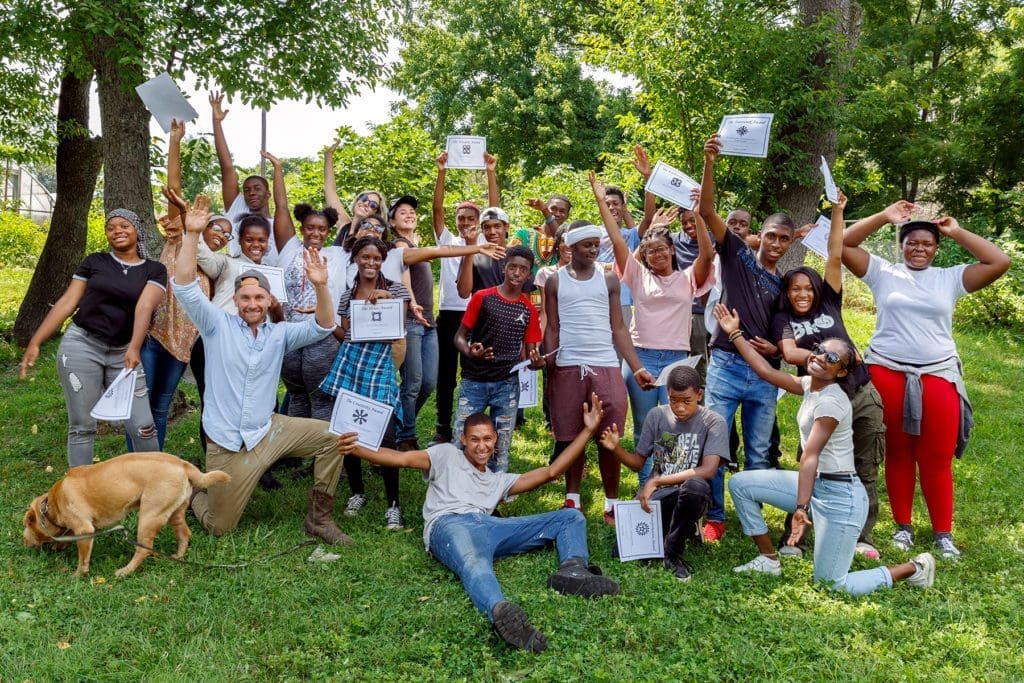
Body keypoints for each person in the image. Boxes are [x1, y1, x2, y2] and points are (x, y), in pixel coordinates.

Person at [334, 395, 619, 653]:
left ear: (495, 440)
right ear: (463, 439)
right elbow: (402, 458)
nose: (481, 446)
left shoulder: (497, 480)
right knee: (475, 564)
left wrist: (589, 430)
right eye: (474, 440)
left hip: (488, 526)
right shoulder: (445, 455)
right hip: (449, 525)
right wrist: (357, 449)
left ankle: (574, 571)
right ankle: (501, 611)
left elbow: (552, 471)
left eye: (487, 439)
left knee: (570, 517)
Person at [715, 305, 938, 595]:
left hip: (840, 499)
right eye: (819, 350)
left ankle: (915, 568)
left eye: (830, 358)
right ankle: (768, 559)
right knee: (741, 484)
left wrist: (800, 508)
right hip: (819, 485)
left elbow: (810, 456)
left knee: (831, 585)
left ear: (841, 371)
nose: (820, 357)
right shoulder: (811, 384)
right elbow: (765, 371)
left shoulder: (832, 402)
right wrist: (734, 333)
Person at [167, 190, 349, 544]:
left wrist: (321, 287)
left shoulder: (278, 334)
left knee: (334, 438)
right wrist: (191, 234)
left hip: (269, 431)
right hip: (228, 443)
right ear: (235, 301)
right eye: (245, 297)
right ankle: (191, 490)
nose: (252, 303)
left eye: (259, 298)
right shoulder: (217, 324)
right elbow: (185, 285)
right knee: (220, 527)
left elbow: (323, 326)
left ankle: (319, 519)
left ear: (269, 301)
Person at [842, 201, 1009, 559]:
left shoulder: (949, 278)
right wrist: (884, 216)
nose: (919, 249)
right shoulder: (883, 272)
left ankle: (942, 533)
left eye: (927, 244)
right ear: (901, 245)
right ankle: (902, 526)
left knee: (936, 456)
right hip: (888, 371)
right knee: (899, 453)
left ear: (936, 248)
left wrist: (957, 231)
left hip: (937, 374)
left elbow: (999, 262)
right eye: (912, 243)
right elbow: (843, 245)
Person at [771, 190, 886, 560]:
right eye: (794, 289)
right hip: (820, 399)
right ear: (787, 294)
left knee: (865, 465)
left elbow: (835, 253)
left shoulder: (829, 302)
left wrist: (837, 212)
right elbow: (789, 354)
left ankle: (862, 535)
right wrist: (832, 359)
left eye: (807, 288)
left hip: (860, 393)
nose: (802, 294)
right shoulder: (784, 319)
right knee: (813, 461)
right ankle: (798, 536)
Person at [697, 132, 796, 542]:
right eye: (770, 235)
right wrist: (709, 162)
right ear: (762, 234)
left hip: (766, 375)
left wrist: (776, 348)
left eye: (783, 239)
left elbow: (785, 329)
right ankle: (716, 517)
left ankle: (751, 520)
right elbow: (706, 210)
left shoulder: (787, 283)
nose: (775, 243)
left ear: (790, 244)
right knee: (716, 446)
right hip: (726, 365)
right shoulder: (736, 255)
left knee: (758, 452)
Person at [593, 174, 714, 489]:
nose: (658, 255)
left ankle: (668, 488)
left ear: (672, 251)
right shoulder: (636, 275)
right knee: (644, 428)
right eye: (651, 252)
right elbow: (617, 240)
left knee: (674, 427)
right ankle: (645, 489)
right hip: (640, 358)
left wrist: (699, 214)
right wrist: (598, 197)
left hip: (676, 360)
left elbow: (707, 255)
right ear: (643, 257)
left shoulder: (688, 279)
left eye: (663, 249)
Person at [20, 209, 165, 468]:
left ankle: (153, 483)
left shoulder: (154, 270)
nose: (117, 230)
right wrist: (36, 341)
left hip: (125, 352)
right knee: (82, 425)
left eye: (124, 225)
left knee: (143, 427)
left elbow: (144, 307)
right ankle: (78, 491)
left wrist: (133, 348)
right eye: (111, 228)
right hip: (82, 345)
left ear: (137, 230)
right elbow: (67, 302)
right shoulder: (95, 262)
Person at [544, 220, 655, 522]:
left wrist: (637, 366)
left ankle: (612, 501)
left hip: (605, 363)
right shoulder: (555, 281)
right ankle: (573, 498)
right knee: (570, 434)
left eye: (596, 244)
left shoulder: (608, 279)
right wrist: (547, 361)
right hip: (567, 365)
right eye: (587, 245)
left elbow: (618, 327)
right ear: (570, 247)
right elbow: (552, 327)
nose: (594, 249)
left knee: (610, 433)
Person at [599, 365, 728, 581]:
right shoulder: (657, 416)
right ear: (667, 394)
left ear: (699, 394)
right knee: (620, 553)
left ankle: (672, 553)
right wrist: (616, 448)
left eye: (686, 400)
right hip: (656, 498)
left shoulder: (713, 422)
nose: (679, 407)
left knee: (696, 486)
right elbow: (637, 463)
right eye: (673, 400)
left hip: (690, 494)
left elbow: (708, 470)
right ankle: (672, 530)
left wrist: (657, 481)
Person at [319, 236, 411, 530]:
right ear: (356, 258)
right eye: (365, 257)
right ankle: (357, 491)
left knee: (387, 436)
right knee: (348, 434)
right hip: (350, 365)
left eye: (377, 259)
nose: (371, 263)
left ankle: (393, 504)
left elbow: (398, 331)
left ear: (382, 261)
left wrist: (387, 301)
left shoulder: (395, 288)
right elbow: (345, 333)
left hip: (379, 366)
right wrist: (332, 325)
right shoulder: (347, 295)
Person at [134, 119, 212, 451]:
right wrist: (176, 140)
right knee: (141, 408)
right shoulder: (179, 242)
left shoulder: (213, 269)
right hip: (153, 337)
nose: (217, 235)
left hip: (181, 348)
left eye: (222, 233)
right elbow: (174, 188)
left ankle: (153, 464)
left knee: (161, 407)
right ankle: (136, 465)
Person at [262, 152, 349, 423]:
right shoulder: (289, 249)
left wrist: (328, 160)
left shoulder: (338, 255)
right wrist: (278, 168)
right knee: (297, 396)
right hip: (288, 333)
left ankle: (323, 459)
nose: (316, 233)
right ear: (302, 228)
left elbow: (345, 213)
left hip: (320, 335)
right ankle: (299, 453)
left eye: (322, 229)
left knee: (320, 397)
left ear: (329, 231)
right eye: (310, 227)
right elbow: (281, 207)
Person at [427, 150, 497, 447]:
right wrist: (441, 171)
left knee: (476, 368)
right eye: (461, 218)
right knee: (446, 373)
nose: (465, 222)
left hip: (477, 313)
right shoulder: (448, 241)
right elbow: (437, 210)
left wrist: (490, 171)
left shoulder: (482, 241)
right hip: (449, 313)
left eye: (471, 218)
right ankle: (443, 425)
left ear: (479, 222)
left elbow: (495, 208)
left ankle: (478, 423)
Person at [453, 245, 544, 472]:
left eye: (522, 269)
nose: (516, 273)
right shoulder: (483, 298)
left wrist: (537, 363)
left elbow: (532, 351)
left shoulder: (529, 310)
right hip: (474, 380)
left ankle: (494, 495)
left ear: (529, 273)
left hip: (507, 385)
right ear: (504, 267)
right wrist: (469, 351)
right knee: (461, 438)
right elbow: (459, 337)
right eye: (512, 267)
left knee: (502, 443)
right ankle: (454, 487)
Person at [209, 91, 277, 264]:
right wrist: (217, 122)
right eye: (247, 190)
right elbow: (227, 167)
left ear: (268, 194)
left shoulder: (278, 223)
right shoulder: (237, 208)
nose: (251, 193)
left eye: (257, 189)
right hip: (239, 278)